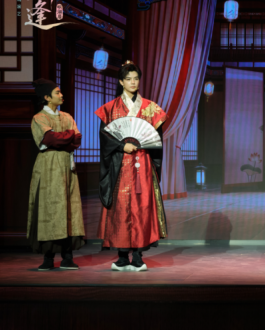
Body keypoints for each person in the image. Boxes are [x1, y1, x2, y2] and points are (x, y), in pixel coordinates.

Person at [95, 61, 167, 272]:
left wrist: (144, 146)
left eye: (136, 78)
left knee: (141, 206)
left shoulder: (150, 107)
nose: (133, 82)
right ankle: (121, 256)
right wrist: (121, 146)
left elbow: (156, 138)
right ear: (121, 82)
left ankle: (137, 255)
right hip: (119, 164)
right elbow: (105, 138)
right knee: (119, 207)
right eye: (128, 79)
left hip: (142, 163)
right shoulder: (110, 108)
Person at [28, 78, 85, 271]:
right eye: (57, 92)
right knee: (49, 208)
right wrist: (67, 136)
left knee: (68, 208)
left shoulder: (67, 116)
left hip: (67, 167)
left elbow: (77, 139)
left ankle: (67, 256)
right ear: (46, 97)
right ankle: (48, 257)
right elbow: (49, 138)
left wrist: (63, 139)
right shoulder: (39, 118)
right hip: (48, 166)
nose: (61, 95)